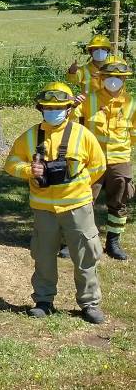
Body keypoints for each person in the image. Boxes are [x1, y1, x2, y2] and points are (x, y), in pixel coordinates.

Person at [4, 82, 106, 324]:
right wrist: (29, 170)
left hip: (77, 207)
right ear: (41, 108)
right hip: (44, 209)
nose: (53, 111)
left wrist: (79, 187)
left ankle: (89, 303)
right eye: (48, 107)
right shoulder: (29, 136)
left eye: (58, 107)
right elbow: (10, 163)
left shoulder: (83, 135)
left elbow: (99, 165)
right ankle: (43, 300)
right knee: (44, 255)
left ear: (69, 108)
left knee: (85, 256)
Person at [73, 57, 136, 260]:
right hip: (92, 159)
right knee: (82, 198)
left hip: (120, 158)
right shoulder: (90, 99)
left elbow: (134, 133)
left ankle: (113, 241)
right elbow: (69, 120)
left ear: (124, 80)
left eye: (118, 77)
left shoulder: (131, 103)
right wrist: (72, 104)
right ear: (102, 78)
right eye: (109, 76)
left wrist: (123, 152)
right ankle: (75, 240)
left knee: (120, 198)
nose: (113, 80)